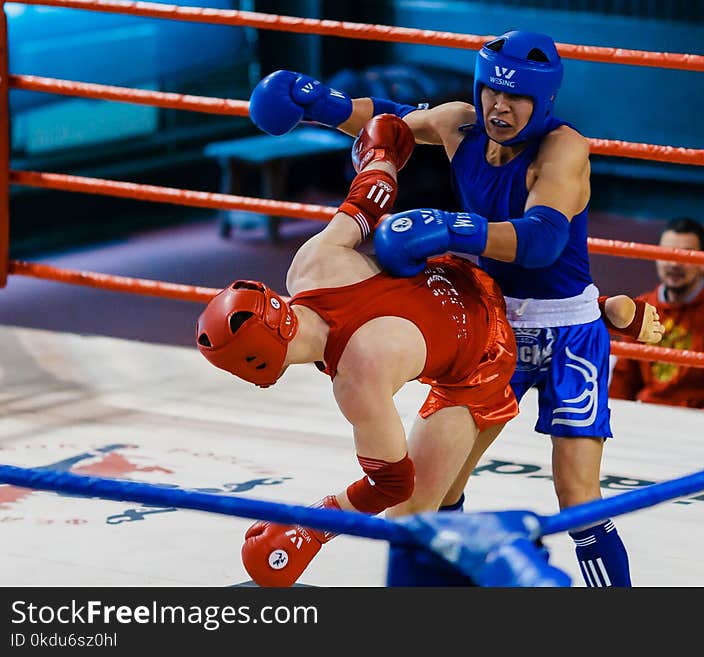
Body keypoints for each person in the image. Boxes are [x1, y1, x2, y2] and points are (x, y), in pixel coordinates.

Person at [247, 29, 665, 587]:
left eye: (516, 97)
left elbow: (542, 240)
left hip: (567, 330)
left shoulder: (564, 149)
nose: (500, 106)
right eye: (492, 90)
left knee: (577, 497)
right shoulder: (459, 123)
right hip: (488, 328)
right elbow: (392, 121)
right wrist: (322, 105)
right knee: (429, 494)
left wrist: (451, 227)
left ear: (544, 102)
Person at [196, 114, 522, 587]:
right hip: (463, 274)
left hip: (482, 360)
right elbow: (368, 197)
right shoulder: (309, 265)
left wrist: (312, 524)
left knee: (408, 519)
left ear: (258, 367)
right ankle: (457, 553)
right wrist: (383, 150)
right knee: (444, 490)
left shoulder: (358, 380)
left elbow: (391, 484)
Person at [609, 217, 704, 413]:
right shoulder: (643, 307)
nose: (674, 263)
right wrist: (615, 418)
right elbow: (623, 377)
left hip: (698, 421)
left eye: (686, 254)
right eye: (666, 253)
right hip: (647, 415)